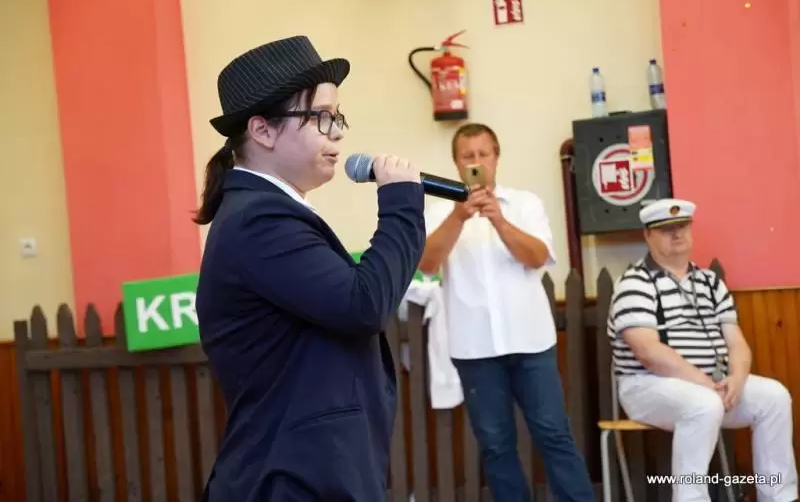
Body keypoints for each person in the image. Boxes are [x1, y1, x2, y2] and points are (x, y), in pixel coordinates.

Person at [192, 35, 426, 502]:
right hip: (292, 480)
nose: (336, 133)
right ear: (263, 131)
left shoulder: (265, 213)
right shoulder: (258, 221)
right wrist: (401, 205)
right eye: (321, 117)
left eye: (337, 117)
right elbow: (363, 304)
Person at [419, 123, 595, 502]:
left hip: (531, 342)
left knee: (554, 434)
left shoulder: (525, 203)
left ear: (496, 158)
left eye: (483, 154)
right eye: (467, 156)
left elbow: (538, 257)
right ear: (456, 163)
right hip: (474, 348)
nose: (476, 162)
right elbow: (427, 264)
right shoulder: (439, 211)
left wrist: (498, 219)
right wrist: (458, 217)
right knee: (495, 446)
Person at [607, 198, 797, 502]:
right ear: (648, 235)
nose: (677, 233)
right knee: (704, 403)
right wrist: (706, 384)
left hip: (712, 385)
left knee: (774, 397)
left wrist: (737, 379)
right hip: (647, 386)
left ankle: (778, 497)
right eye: (666, 229)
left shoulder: (710, 282)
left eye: (682, 226)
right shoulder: (634, 283)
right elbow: (648, 352)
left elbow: (736, 342)